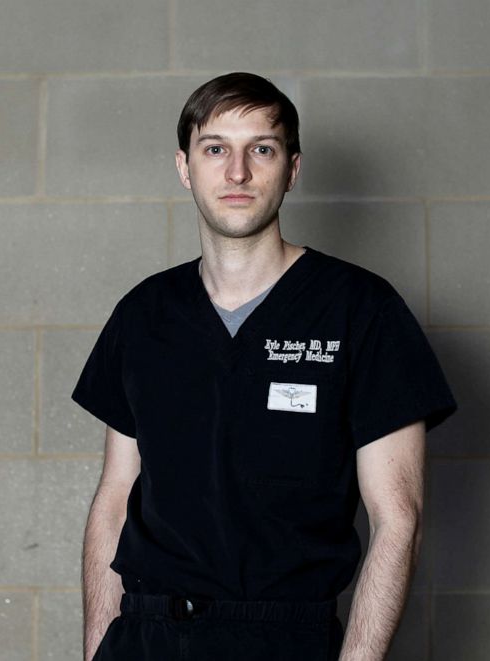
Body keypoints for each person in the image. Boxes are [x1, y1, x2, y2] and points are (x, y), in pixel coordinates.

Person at [72, 72, 456, 661]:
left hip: (285, 638)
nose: (237, 172)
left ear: (292, 169)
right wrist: (99, 650)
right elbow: (115, 497)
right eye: (216, 148)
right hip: (146, 637)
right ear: (185, 167)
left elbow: (398, 520)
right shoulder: (144, 314)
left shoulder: (361, 311)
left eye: (262, 149)